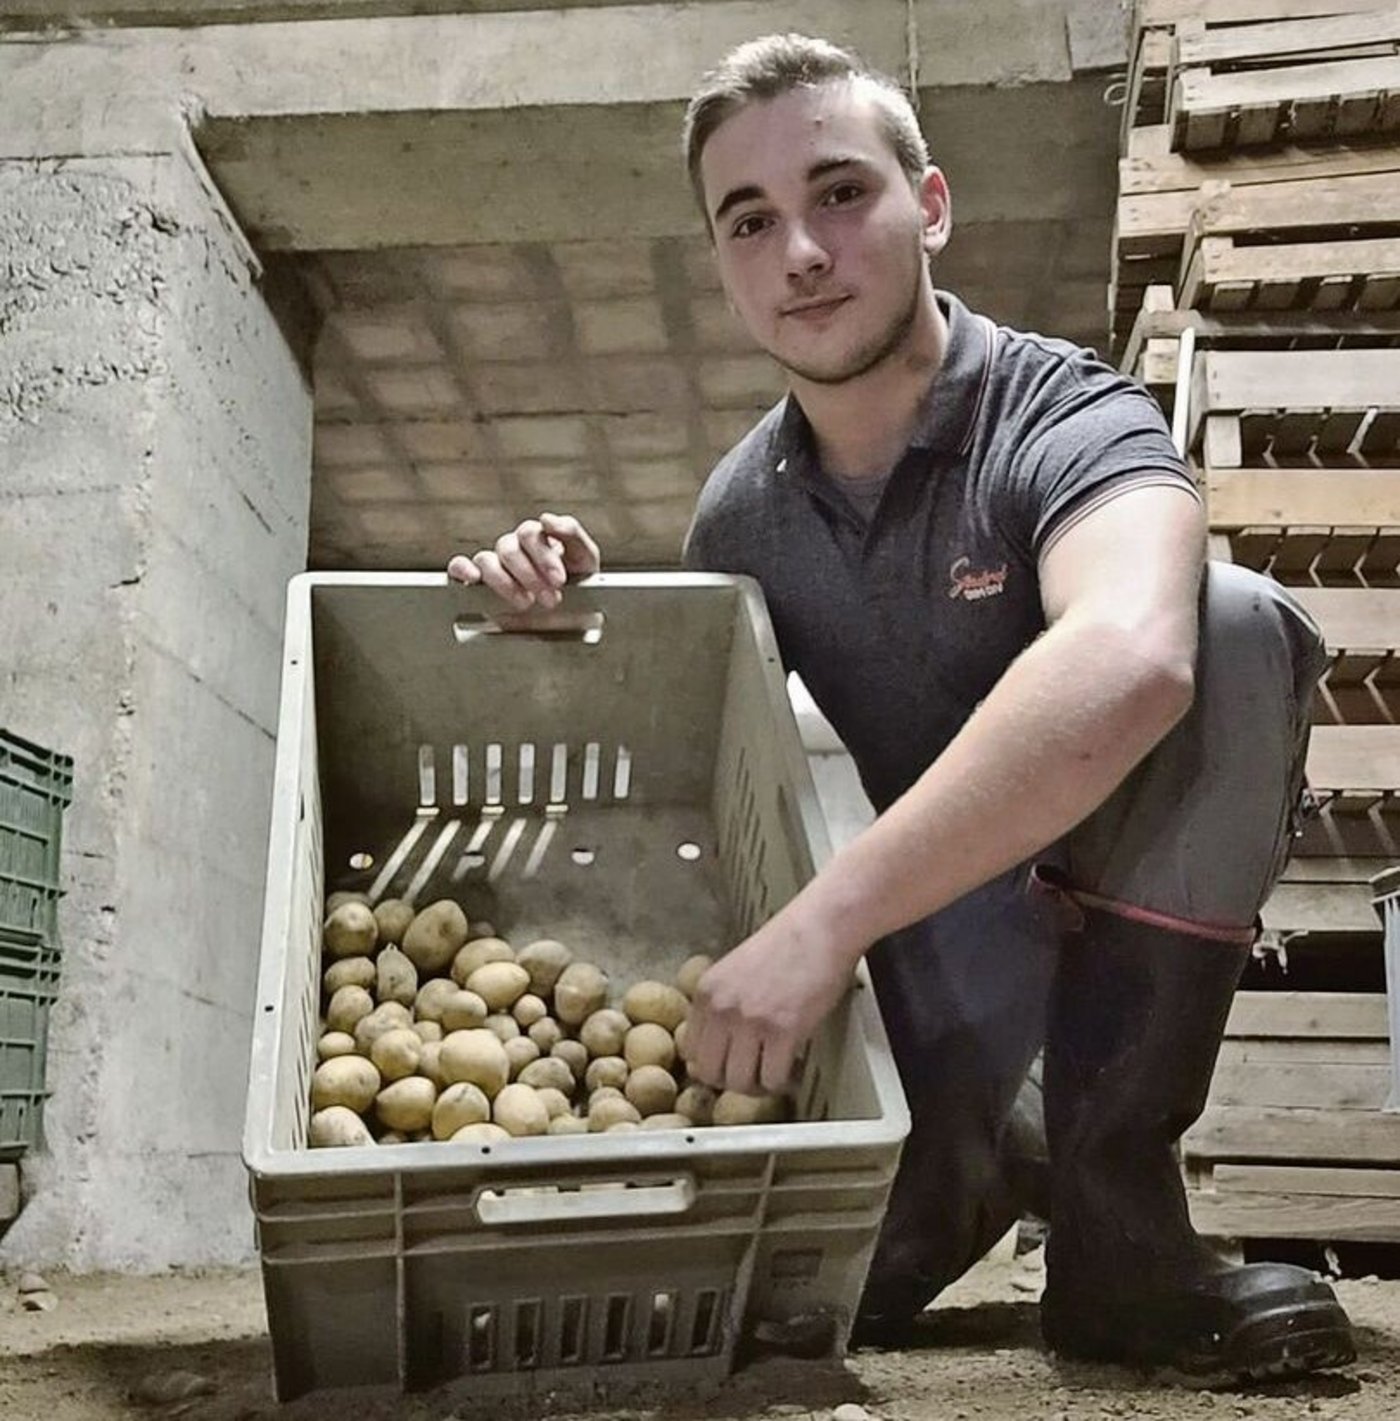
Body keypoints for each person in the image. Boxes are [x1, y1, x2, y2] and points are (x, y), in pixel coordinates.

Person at [447, 33, 1356, 1383]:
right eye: (750, 220)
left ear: (928, 206)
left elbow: (1136, 655)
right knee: (782, 1316)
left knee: (1229, 625)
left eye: (839, 193)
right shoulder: (741, 514)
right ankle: (965, 1163)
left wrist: (826, 921)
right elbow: (698, 764)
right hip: (938, 1011)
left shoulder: (1066, 411)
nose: (800, 250)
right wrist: (566, 623)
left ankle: (1115, 1227)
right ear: (724, 265)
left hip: (1107, 985)